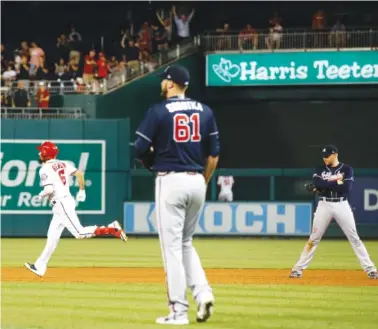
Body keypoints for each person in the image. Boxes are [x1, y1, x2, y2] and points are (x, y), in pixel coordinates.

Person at [134, 65, 220, 325]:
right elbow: (213, 155)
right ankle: (203, 293)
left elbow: (139, 147)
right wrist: (203, 181)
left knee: (171, 249)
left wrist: (152, 158)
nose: (162, 85)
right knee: (185, 243)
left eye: (164, 81)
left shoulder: (158, 111)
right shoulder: (205, 111)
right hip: (197, 181)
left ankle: (178, 312)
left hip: (170, 180)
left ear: (171, 84)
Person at [25, 141, 127, 277]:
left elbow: (49, 189)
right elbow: (79, 174)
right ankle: (40, 265)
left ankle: (112, 228)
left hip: (61, 204)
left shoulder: (44, 169)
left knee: (79, 233)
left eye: (41, 150)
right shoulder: (62, 163)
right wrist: (82, 190)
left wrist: (41, 195)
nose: (38, 153)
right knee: (52, 237)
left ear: (45, 153)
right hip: (65, 202)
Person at [290, 145, 378, 279]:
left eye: (327, 156)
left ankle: (371, 269)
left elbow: (346, 188)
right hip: (324, 204)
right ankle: (297, 269)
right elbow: (317, 183)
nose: (325, 158)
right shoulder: (319, 169)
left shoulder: (347, 169)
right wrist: (336, 181)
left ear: (335, 154)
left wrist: (323, 184)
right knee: (313, 239)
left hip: (342, 204)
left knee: (354, 237)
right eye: (324, 156)